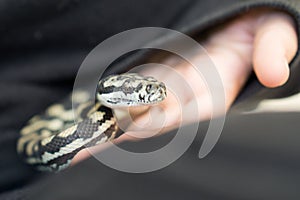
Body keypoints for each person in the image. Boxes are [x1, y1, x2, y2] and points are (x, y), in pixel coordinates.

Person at [0, 0, 299, 199]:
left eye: (146, 90)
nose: (149, 95)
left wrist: (245, 8)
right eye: (139, 93)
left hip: (187, 50)